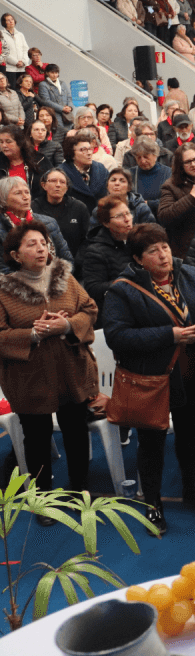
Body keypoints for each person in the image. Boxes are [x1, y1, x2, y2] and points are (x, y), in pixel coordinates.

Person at [102, 223, 195, 532]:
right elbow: (117, 336)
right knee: (151, 443)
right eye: (153, 251)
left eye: (165, 247)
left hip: (191, 371)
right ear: (138, 259)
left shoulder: (191, 276)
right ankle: (151, 503)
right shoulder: (122, 289)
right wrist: (171, 334)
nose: (163, 254)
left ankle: (193, 490)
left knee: (190, 436)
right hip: (152, 379)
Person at [0, 220, 98, 523]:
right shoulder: (3, 291)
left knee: (76, 432)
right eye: (32, 244)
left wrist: (66, 325)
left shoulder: (65, 278)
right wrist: (33, 333)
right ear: (16, 255)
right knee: (38, 438)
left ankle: (80, 491)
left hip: (71, 369)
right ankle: (44, 501)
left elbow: (90, 309)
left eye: (43, 242)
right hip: (29, 376)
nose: (41, 248)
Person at [0, 175, 72, 274]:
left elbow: (66, 259)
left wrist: (55, 281)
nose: (25, 197)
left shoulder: (49, 222)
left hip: (54, 280)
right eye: (18, 193)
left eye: (27, 192)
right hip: (16, 285)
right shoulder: (2, 228)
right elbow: (3, 269)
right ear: (3, 199)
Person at [80, 194, 135, 321]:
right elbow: (93, 289)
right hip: (113, 314)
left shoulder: (138, 241)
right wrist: (128, 283)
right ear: (106, 223)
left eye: (128, 213)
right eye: (119, 216)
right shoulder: (95, 251)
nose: (127, 219)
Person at [157, 143, 195, 257]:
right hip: (187, 250)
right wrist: (191, 199)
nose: (193, 164)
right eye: (187, 162)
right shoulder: (171, 186)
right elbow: (164, 216)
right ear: (180, 165)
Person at [33, 169, 89, 260]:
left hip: (73, 262)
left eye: (62, 182)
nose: (58, 185)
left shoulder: (79, 208)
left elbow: (86, 240)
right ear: (44, 185)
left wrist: (77, 263)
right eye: (53, 181)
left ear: (67, 188)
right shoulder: (34, 208)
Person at [60, 131, 109, 213]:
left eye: (90, 149)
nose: (89, 153)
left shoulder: (101, 169)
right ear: (71, 153)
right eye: (83, 150)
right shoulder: (61, 173)